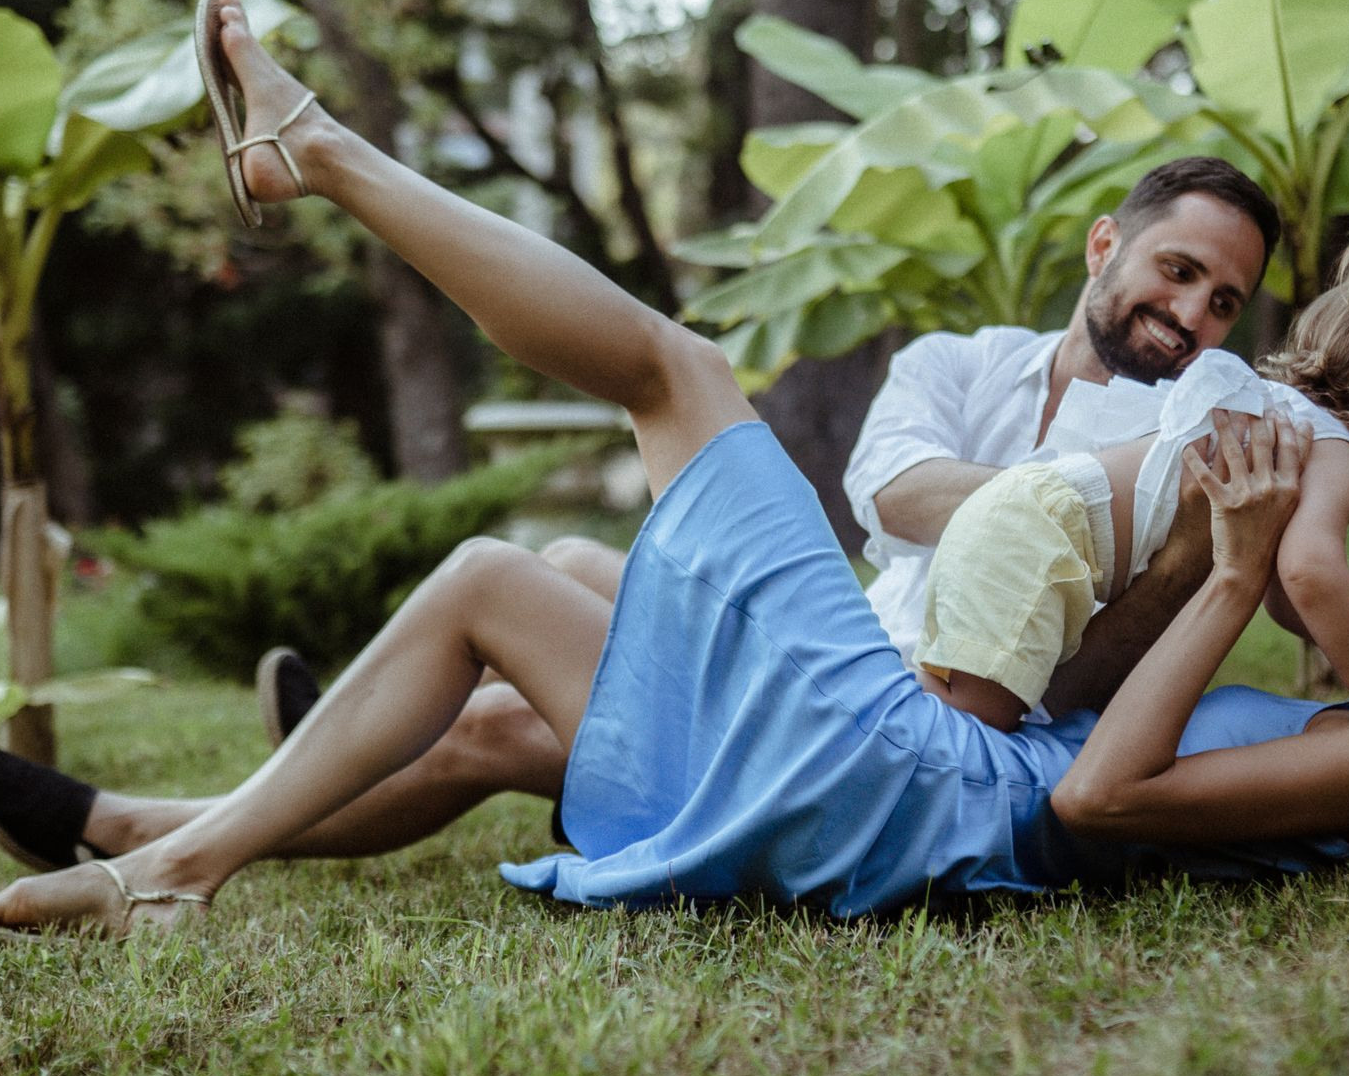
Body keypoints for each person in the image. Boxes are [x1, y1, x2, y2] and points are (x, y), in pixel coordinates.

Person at [0, 0, 1349, 940]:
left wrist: (1220, 579)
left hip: (923, 779)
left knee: (658, 382)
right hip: (909, 761)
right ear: (1105, 262)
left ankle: (314, 154)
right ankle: (159, 845)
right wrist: (1223, 595)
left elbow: (1102, 808)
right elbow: (1160, 721)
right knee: (515, 622)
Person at [220, 155, 1283, 856]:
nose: (1189, 315)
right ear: (1106, 245)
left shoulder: (1188, 425)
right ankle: (337, 741)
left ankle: (189, 820)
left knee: (506, 698)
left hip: (899, 712)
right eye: (1176, 270)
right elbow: (890, 495)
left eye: (1222, 301)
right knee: (584, 566)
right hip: (849, 645)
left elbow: (1088, 648)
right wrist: (1070, 505)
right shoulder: (965, 363)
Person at [911, 227, 1349, 732]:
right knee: (973, 726)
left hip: (1025, 516)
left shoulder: (1290, 424)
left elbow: (1290, 597)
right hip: (1036, 534)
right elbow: (1311, 572)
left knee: (964, 709)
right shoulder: (1334, 455)